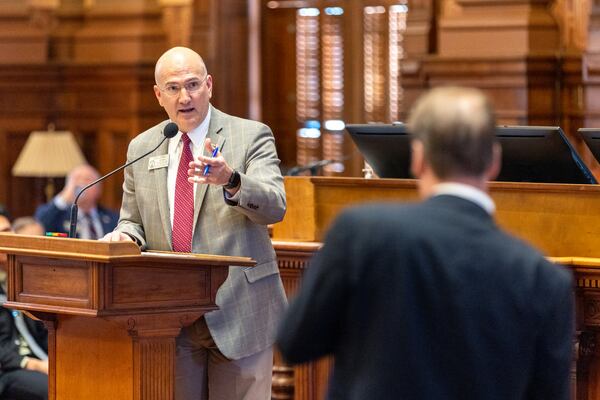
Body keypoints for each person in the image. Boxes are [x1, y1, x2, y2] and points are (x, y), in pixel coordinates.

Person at [276, 87, 574, 400]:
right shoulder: (544, 278)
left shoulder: (360, 233)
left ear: (418, 158)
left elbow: (294, 342)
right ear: (493, 162)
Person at [102, 46, 287, 399]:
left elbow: (275, 206)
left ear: (210, 86)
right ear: (158, 95)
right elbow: (133, 222)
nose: (184, 97)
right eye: (173, 88)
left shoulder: (250, 135)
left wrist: (232, 180)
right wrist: (123, 237)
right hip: (171, 318)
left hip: (240, 309)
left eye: (193, 85)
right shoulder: (143, 147)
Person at [0, 208, 48, 400]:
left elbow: (44, 329)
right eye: (3, 234)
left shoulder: (20, 279)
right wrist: (36, 365)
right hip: (9, 368)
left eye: (10, 229)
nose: (11, 236)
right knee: (54, 388)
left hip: (38, 357)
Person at [34, 164, 119, 239]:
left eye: (87, 179)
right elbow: (40, 224)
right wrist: (63, 198)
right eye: (76, 179)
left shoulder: (112, 218)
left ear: (98, 189)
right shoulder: (58, 215)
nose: (81, 183)